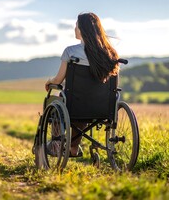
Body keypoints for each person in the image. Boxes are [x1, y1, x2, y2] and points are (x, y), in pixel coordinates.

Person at [45, 12, 119, 157]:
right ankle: (73, 148)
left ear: (83, 29)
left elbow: (58, 80)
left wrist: (49, 82)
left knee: (58, 101)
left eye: (77, 26)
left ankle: (56, 143)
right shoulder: (111, 54)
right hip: (103, 107)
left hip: (76, 104)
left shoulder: (71, 52)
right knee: (83, 105)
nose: (74, 29)